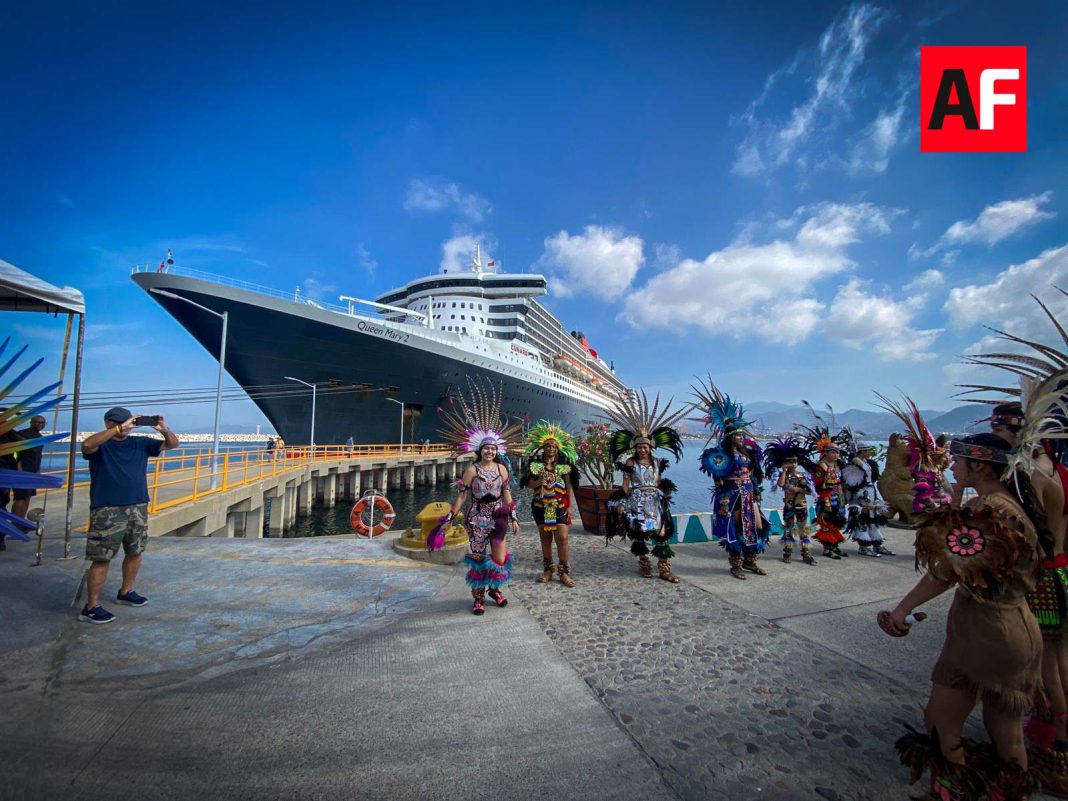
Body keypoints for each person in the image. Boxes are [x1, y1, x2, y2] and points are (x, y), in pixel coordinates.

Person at [887, 432, 1046, 799]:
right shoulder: (1009, 504)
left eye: (959, 461)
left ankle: (953, 792)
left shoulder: (990, 511)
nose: (952, 466)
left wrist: (903, 609)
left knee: (940, 722)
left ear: (979, 465)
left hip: (987, 632)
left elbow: (947, 570)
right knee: (1005, 730)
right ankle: (1009, 792)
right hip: (1016, 627)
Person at [78, 407, 179, 624]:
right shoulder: (101, 443)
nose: (125, 427)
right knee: (101, 558)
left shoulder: (140, 442)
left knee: (135, 551)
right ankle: (91, 606)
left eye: (127, 422)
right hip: (107, 508)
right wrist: (117, 429)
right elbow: (87, 445)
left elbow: (172, 444)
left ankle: (126, 592)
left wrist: (163, 429)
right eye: (118, 423)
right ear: (108, 423)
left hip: (138, 505)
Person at [439, 379, 522, 615]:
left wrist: (514, 517)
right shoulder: (472, 470)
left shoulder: (501, 469)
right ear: (480, 450)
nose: (490, 451)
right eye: (486, 448)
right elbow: (462, 497)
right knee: (477, 557)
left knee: (498, 557)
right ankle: (478, 596)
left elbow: (507, 495)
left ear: (497, 451)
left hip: (498, 517)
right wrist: (450, 516)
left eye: (493, 449)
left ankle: (494, 589)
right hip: (476, 518)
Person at [605, 388, 687, 582]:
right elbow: (626, 484)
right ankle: (644, 564)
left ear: (650, 447)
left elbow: (658, 482)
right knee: (641, 531)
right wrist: (623, 501)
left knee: (661, 532)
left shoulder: (658, 462)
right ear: (635, 447)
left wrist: (664, 494)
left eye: (645, 447)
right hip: (638, 500)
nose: (642, 449)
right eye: (640, 447)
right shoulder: (630, 463)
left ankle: (664, 569)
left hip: (655, 501)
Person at [692, 380, 769, 580]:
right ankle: (736, 565)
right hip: (732, 494)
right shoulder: (721, 455)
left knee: (755, 525)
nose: (741, 438)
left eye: (742, 435)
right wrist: (723, 496)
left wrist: (756, 487)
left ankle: (750, 561)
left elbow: (754, 472)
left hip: (748, 492)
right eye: (737, 436)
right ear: (729, 438)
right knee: (734, 527)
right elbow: (718, 477)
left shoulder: (748, 453)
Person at [522, 421, 579, 587]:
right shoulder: (535, 466)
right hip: (540, 506)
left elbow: (569, 487)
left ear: (558, 449)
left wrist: (570, 506)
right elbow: (530, 484)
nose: (551, 450)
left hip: (559, 506)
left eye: (554, 447)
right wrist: (541, 479)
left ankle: (564, 572)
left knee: (562, 538)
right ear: (543, 448)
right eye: (548, 447)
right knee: (545, 538)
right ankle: (548, 569)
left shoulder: (564, 467)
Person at [763, 436, 817, 566]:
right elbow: (781, 485)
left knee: (804, 529)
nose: (792, 464)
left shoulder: (803, 476)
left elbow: (810, 491)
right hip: (788, 506)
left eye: (794, 461)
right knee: (789, 528)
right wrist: (783, 471)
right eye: (789, 462)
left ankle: (806, 553)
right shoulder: (783, 475)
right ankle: (787, 551)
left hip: (801, 505)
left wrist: (799, 489)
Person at [843, 441, 894, 557]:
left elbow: (872, 480)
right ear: (861, 451)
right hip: (861, 495)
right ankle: (863, 546)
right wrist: (864, 501)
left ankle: (877, 545)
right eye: (867, 450)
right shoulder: (854, 466)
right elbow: (854, 486)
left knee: (873, 519)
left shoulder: (869, 463)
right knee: (862, 519)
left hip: (871, 491)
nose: (869, 452)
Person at [11, 415, 47, 520]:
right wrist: (19, 468)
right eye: (37, 422)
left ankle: (21, 521)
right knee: (20, 497)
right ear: (31, 423)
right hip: (22, 470)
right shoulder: (22, 434)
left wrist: (38, 469)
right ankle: (16, 521)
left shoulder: (39, 437)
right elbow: (17, 453)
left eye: (42, 423)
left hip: (33, 471)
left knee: (28, 496)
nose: (40, 424)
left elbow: (38, 455)